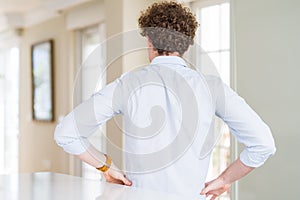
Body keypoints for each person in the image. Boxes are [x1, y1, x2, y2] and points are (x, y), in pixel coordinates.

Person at [54, 1, 276, 199]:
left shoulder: (128, 84)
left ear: (149, 40)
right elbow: (263, 144)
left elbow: (66, 133)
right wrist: (225, 179)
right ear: (188, 45)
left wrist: (107, 167)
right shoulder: (212, 88)